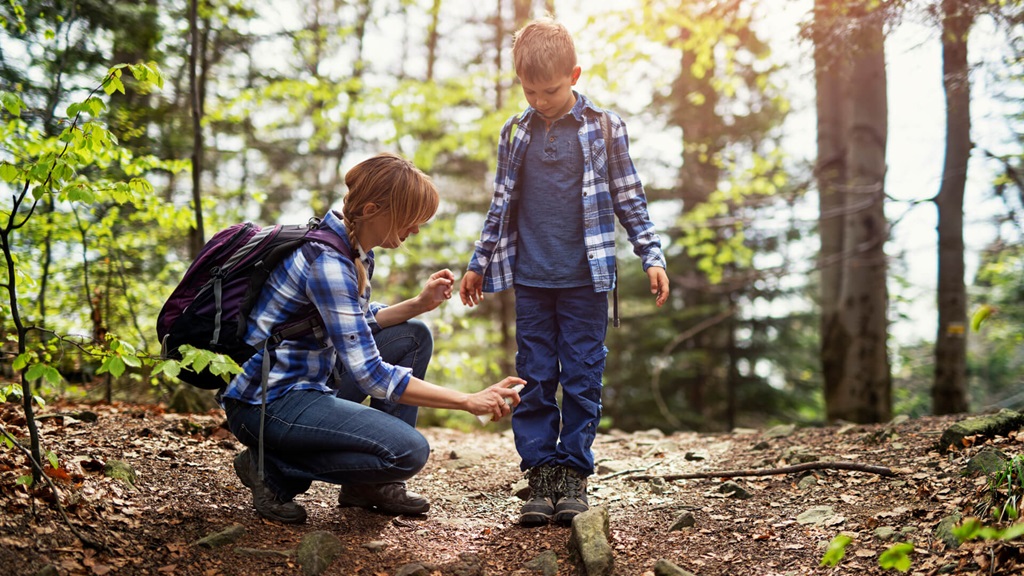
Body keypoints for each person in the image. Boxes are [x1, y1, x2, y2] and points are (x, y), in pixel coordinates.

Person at [221, 152, 524, 524]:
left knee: (412, 336)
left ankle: (367, 486)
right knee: (407, 452)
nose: (416, 229)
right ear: (373, 209)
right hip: (268, 403)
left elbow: (357, 324)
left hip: (311, 382)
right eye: (411, 218)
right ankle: (271, 469)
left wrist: (418, 304)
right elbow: (372, 375)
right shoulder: (328, 262)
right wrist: (467, 401)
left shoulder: (352, 250)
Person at [459, 17, 669, 527]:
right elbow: (501, 205)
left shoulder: (603, 127)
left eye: (549, 89)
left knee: (580, 376)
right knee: (533, 375)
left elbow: (628, 197)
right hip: (531, 279)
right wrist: (478, 263)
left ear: (574, 75)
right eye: (529, 90)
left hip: (586, 282)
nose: (539, 99)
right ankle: (540, 471)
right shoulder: (515, 132)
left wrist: (652, 254)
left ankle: (572, 471)